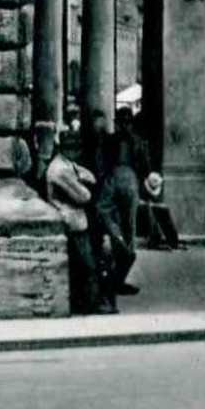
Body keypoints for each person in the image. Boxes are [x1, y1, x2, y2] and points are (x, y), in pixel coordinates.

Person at [43, 124, 113, 314]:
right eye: (71, 144)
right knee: (86, 266)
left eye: (77, 144)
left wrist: (83, 180)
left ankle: (87, 303)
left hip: (76, 221)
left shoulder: (67, 164)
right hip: (71, 222)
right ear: (63, 145)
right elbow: (84, 196)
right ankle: (90, 305)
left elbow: (87, 175)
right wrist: (84, 184)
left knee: (85, 265)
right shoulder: (60, 169)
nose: (76, 148)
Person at [94, 108, 149, 296]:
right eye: (124, 122)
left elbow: (100, 163)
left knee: (110, 217)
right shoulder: (138, 141)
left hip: (114, 177)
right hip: (129, 179)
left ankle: (121, 254)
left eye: (125, 122)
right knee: (128, 227)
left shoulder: (110, 140)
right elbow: (145, 166)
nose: (124, 125)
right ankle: (124, 258)